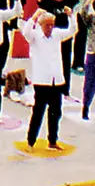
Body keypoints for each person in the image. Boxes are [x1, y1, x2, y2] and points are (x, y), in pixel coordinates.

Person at [19, 8, 75, 150]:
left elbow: (72, 30)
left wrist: (71, 15)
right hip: (41, 80)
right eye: (47, 25)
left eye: (52, 25)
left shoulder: (56, 35)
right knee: (38, 112)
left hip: (56, 80)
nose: (50, 28)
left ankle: (53, 140)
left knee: (56, 112)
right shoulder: (35, 36)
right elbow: (25, 32)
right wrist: (34, 16)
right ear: (41, 25)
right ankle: (31, 141)